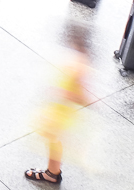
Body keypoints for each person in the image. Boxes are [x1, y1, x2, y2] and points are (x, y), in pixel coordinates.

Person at [24, 24, 90, 186]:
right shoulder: (80, 60)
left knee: (54, 139)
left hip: (61, 112)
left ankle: (52, 174)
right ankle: (52, 172)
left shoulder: (79, 64)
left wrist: (60, 93)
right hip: (61, 110)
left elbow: (80, 96)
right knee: (53, 139)